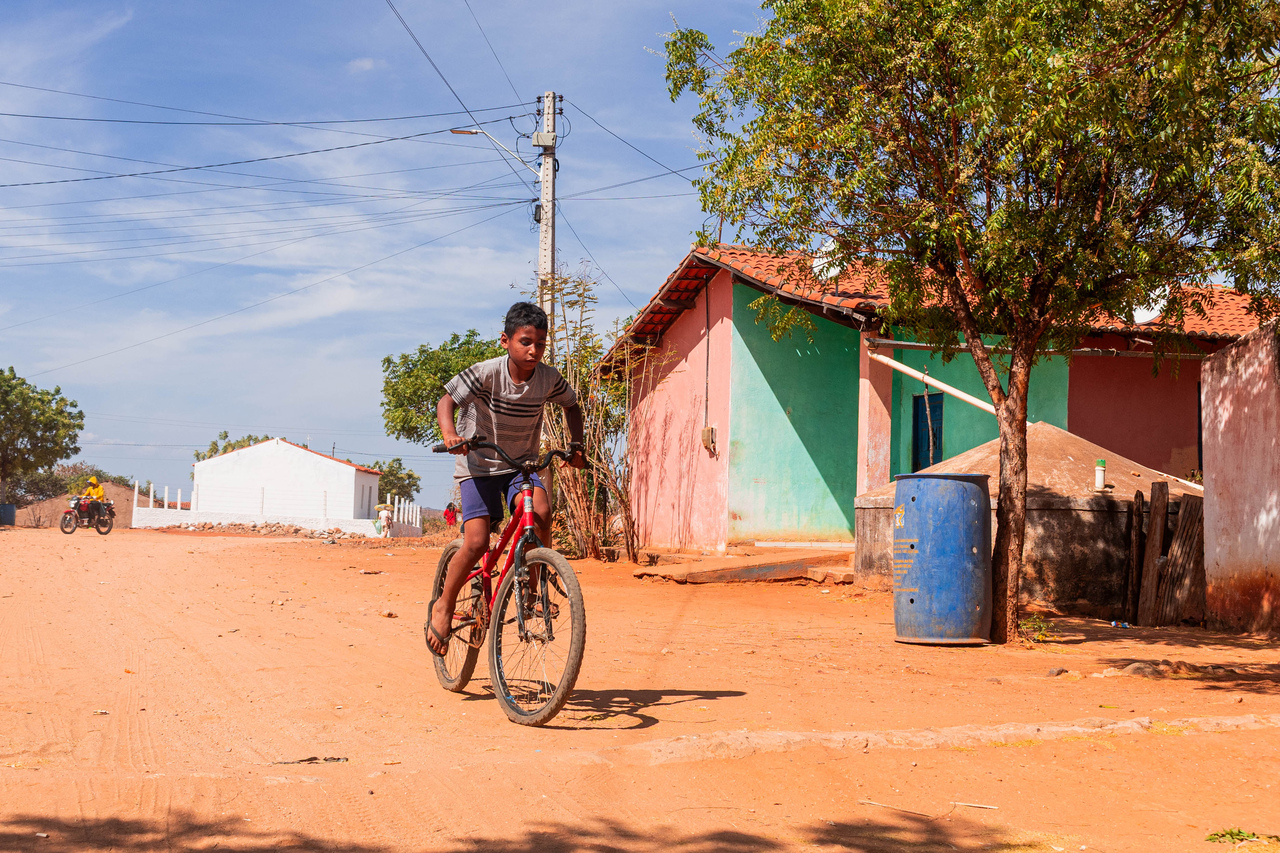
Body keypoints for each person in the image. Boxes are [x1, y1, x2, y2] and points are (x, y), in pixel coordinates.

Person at [427, 301, 585, 656]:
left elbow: (571, 405)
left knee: (541, 513)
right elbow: (446, 401)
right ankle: (444, 605)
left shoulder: (548, 378)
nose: (533, 351)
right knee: (477, 542)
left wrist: (576, 447)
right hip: (479, 466)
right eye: (525, 342)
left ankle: (533, 591)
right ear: (505, 341)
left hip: (520, 465)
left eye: (540, 344)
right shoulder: (486, 372)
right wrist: (451, 434)